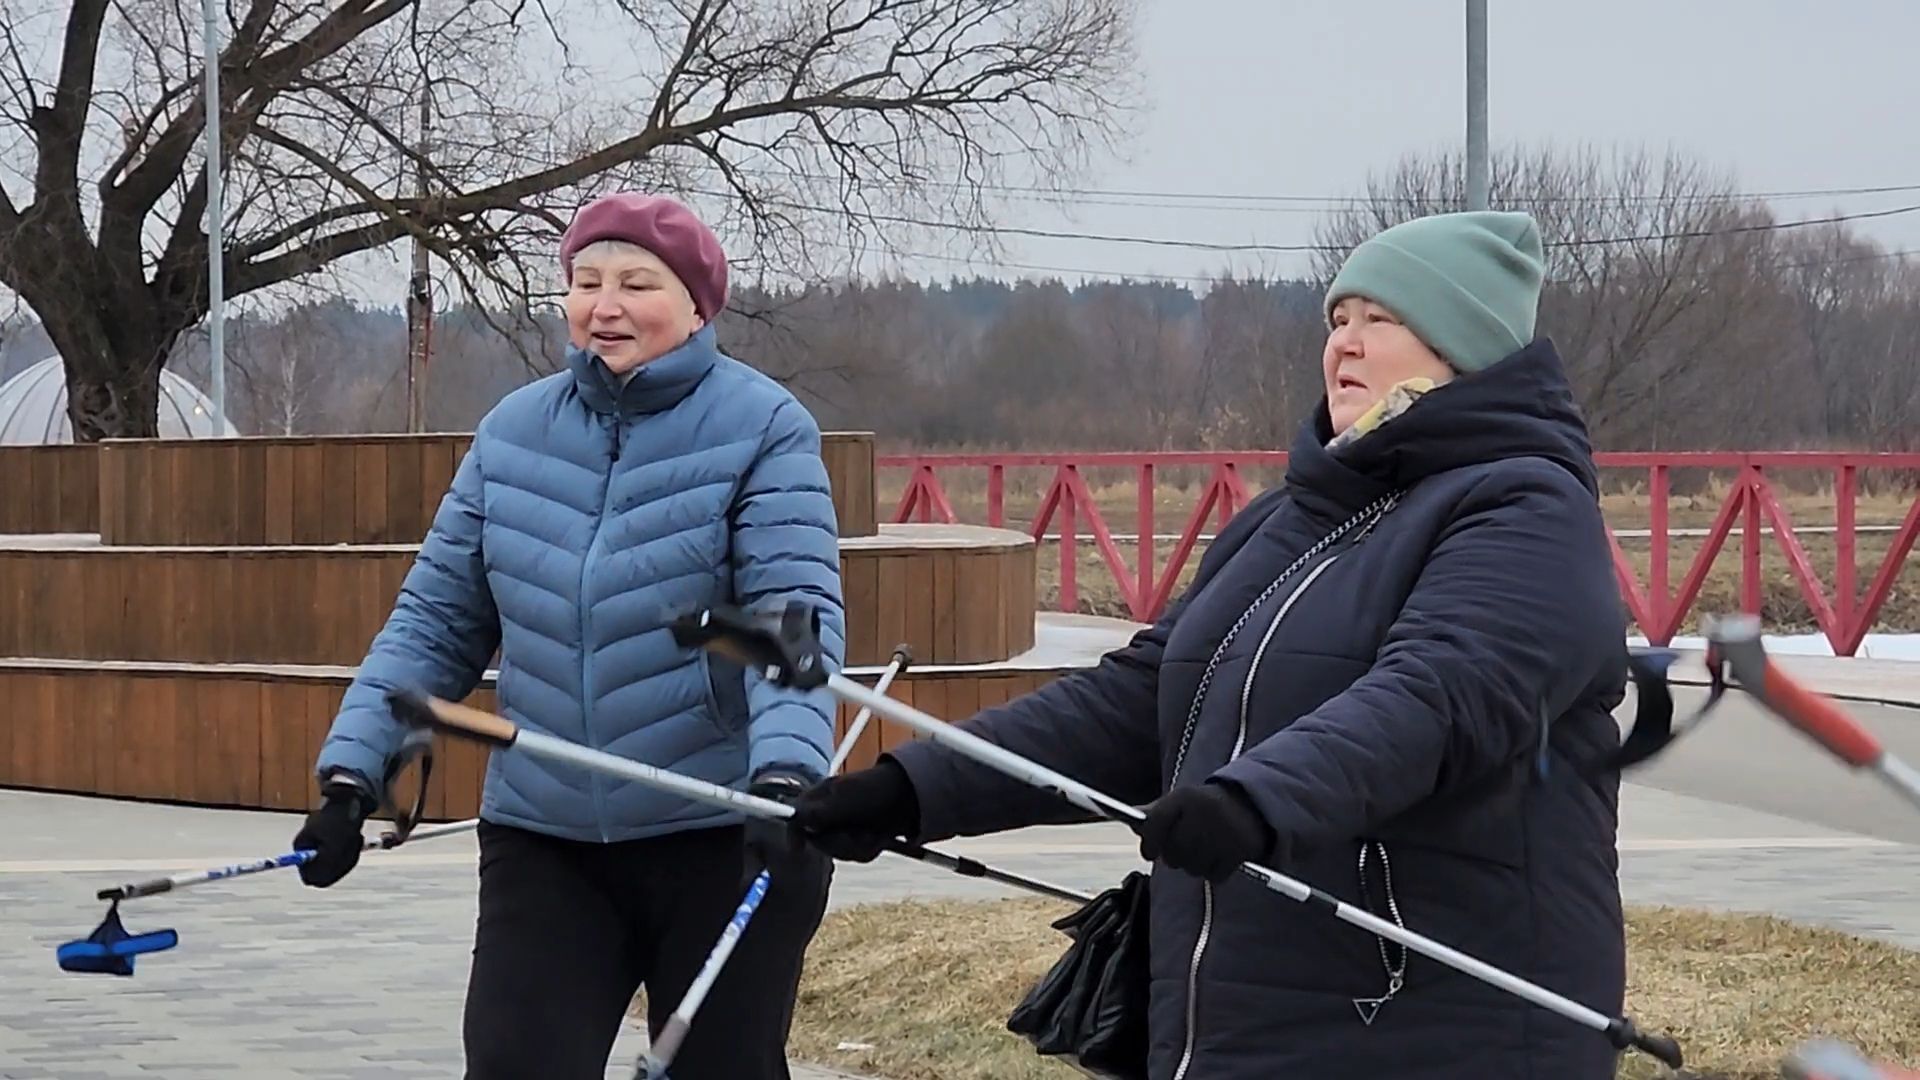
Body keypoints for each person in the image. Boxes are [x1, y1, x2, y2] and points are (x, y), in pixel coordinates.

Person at [789, 210, 1631, 1079]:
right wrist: (910, 790)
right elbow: (1140, 701)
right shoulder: (1287, 519)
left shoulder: (1527, 512)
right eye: (1337, 320)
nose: (1344, 345)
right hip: (1239, 1026)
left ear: (1463, 347)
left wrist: (1252, 802)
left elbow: (1440, 696)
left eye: (1380, 321)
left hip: (1440, 1027)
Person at [291, 191, 847, 1080]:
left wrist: (786, 778)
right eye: (586, 281)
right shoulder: (513, 434)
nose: (606, 305)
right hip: (545, 836)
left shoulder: (765, 429)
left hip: (719, 833)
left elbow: (788, 624)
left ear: (700, 305)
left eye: (637, 283)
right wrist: (353, 775)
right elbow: (434, 623)